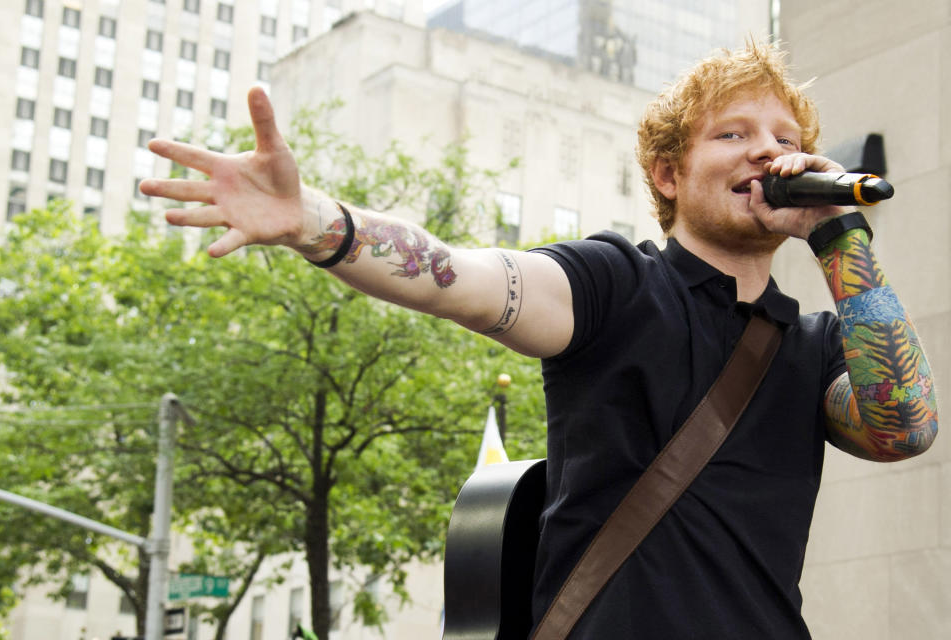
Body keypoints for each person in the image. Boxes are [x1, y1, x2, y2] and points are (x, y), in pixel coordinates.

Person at [141, 39, 938, 639]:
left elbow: (907, 427)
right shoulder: (617, 284)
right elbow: (454, 274)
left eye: (783, 136)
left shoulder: (816, 347)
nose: (769, 151)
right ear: (667, 174)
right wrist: (317, 224)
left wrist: (840, 235)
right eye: (732, 134)